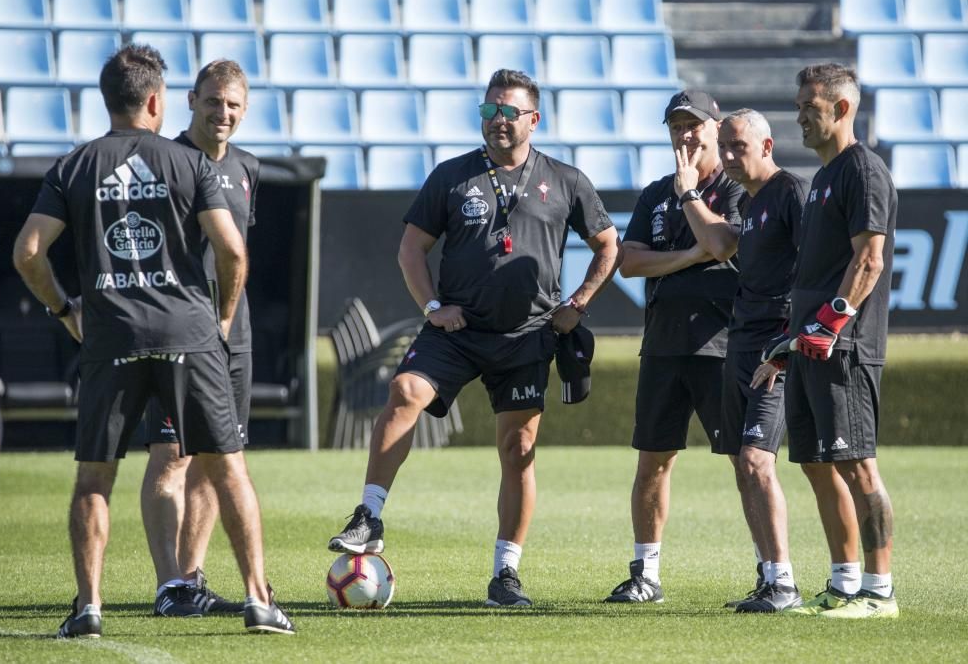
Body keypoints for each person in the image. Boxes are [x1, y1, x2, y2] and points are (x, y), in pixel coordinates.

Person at [12, 44, 293, 637]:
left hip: (109, 333)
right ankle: (258, 602)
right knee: (228, 467)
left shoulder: (74, 166)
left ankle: (88, 608)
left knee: (95, 477)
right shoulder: (188, 164)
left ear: (107, 98)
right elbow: (233, 249)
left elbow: (28, 253)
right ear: (159, 101)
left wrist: (64, 309)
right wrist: (219, 318)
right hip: (189, 334)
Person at [326, 69, 621, 607]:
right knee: (404, 393)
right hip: (457, 332)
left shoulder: (567, 179)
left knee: (518, 448)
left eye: (509, 112)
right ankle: (368, 515)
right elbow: (410, 251)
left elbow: (608, 244)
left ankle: (506, 574)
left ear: (534, 119)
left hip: (528, 335)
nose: (498, 121)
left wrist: (577, 304)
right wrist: (433, 307)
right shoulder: (451, 176)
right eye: (489, 111)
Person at [605, 89, 743, 604]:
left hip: (722, 344)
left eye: (694, 125)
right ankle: (646, 573)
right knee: (653, 462)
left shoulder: (735, 189)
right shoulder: (654, 193)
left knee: (746, 461)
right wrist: (690, 254)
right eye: (676, 127)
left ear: (716, 128)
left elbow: (724, 244)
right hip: (663, 345)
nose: (685, 135)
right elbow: (630, 261)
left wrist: (690, 199)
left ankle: (772, 573)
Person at [773, 63, 898, 619]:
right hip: (810, 345)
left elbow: (868, 258)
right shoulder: (824, 175)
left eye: (809, 107)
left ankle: (879, 591)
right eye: (799, 106)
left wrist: (831, 322)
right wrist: (792, 337)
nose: (800, 116)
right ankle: (844, 584)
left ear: (841, 109)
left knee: (860, 467)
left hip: (843, 348)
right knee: (819, 465)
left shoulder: (863, 171)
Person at [140, 59, 259, 618]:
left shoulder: (246, 168)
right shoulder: (163, 162)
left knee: (220, 456)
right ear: (190, 100)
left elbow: (236, 256)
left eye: (233, 104)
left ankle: (191, 579)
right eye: (213, 101)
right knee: (171, 455)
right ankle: (169, 586)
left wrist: (229, 324)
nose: (223, 113)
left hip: (234, 337)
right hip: (178, 334)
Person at [714, 108, 807, 612]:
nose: (728, 156)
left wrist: (785, 348)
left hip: (774, 348)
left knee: (756, 461)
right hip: (741, 343)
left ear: (766, 147)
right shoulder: (749, 205)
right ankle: (769, 577)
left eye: (738, 147)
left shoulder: (790, 192)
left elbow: (814, 273)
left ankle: (785, 584)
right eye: (723, 147)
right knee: (741, 465)